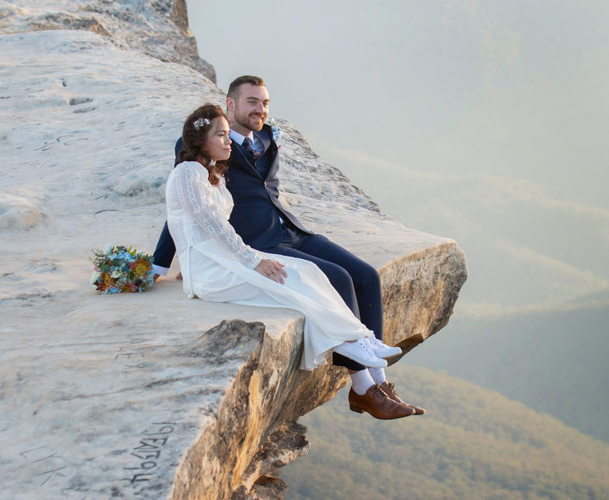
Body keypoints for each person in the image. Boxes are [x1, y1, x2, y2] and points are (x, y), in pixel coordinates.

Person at [155, 78, 424, 419]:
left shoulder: (266, 137)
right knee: (335, 279)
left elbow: (256, 194)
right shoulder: (199, 156)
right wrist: (159, 264)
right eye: (252, 101)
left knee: (367, 276)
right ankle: (364, 387)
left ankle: (380, 380)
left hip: (290, 228)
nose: (260, 109)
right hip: (259, 241)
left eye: (265, 102)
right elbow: (193, 215)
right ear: (230, 104)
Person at [166, 104, 390, 374]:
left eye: (228, 134)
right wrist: (253, 260)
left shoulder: (211, 173)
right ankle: (349, 339)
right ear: (201, 140)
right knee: (288, 281)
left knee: (307, 270)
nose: (228, 141)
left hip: (220, 258)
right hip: (208, 270)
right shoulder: (188, 172)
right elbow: (211, 225)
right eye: (221, 135)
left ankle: (360, 337)